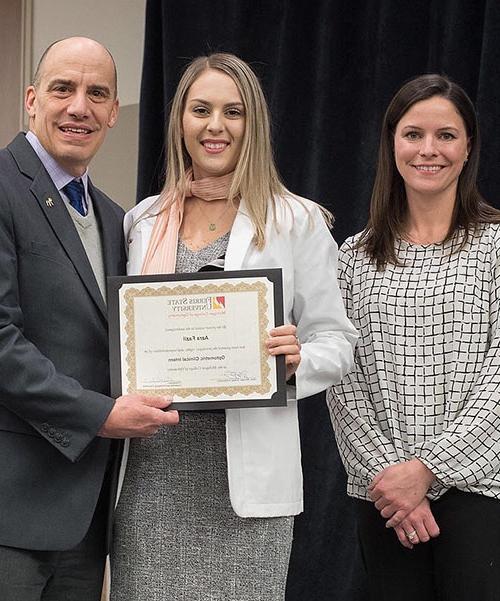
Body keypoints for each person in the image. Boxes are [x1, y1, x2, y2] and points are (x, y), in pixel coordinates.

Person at [111, 52, 357, 601]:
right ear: (180, 120)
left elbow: (337, 341)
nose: (215, 126)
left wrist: (297, 363)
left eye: (233, 111)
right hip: (153, 478)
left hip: (247, 492)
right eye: (201, 109)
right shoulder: (143, 220)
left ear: (254, 125)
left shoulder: (297, 219)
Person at [0, 37, 178, 601]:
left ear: (113, 111)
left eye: (97, 93)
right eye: (63, 89)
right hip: (12, 508)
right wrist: (101, 415)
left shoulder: (112, 216)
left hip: (88, 512)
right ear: (31, 99)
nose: (80, 106)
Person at [328, 74, 500, 601]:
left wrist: (428, 470)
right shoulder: (352, 259)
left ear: (468, 147)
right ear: (391, 144)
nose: (429, 149)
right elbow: (342, 380)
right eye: (413, 134)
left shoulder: (496, 246)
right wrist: (395, 481)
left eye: (446, 135)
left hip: (480, 491)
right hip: (384, 497)